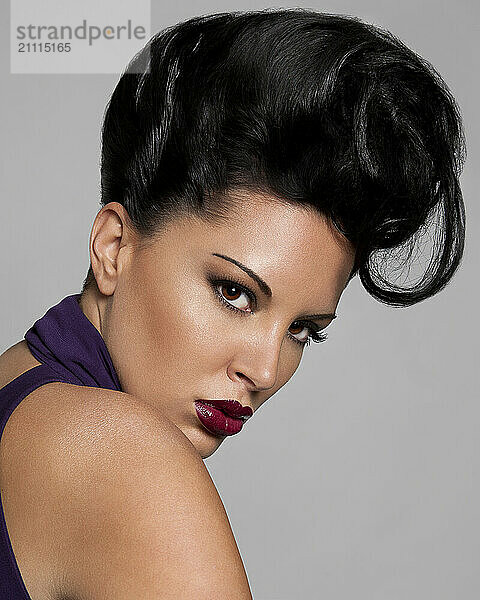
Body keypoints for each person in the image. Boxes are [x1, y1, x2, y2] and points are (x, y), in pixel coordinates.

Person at [0, 8, 465, 599]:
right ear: (114, 248)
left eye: (303, 330)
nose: (265, 372)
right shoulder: (130, 462)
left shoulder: (16, 386)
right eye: (235, 293)